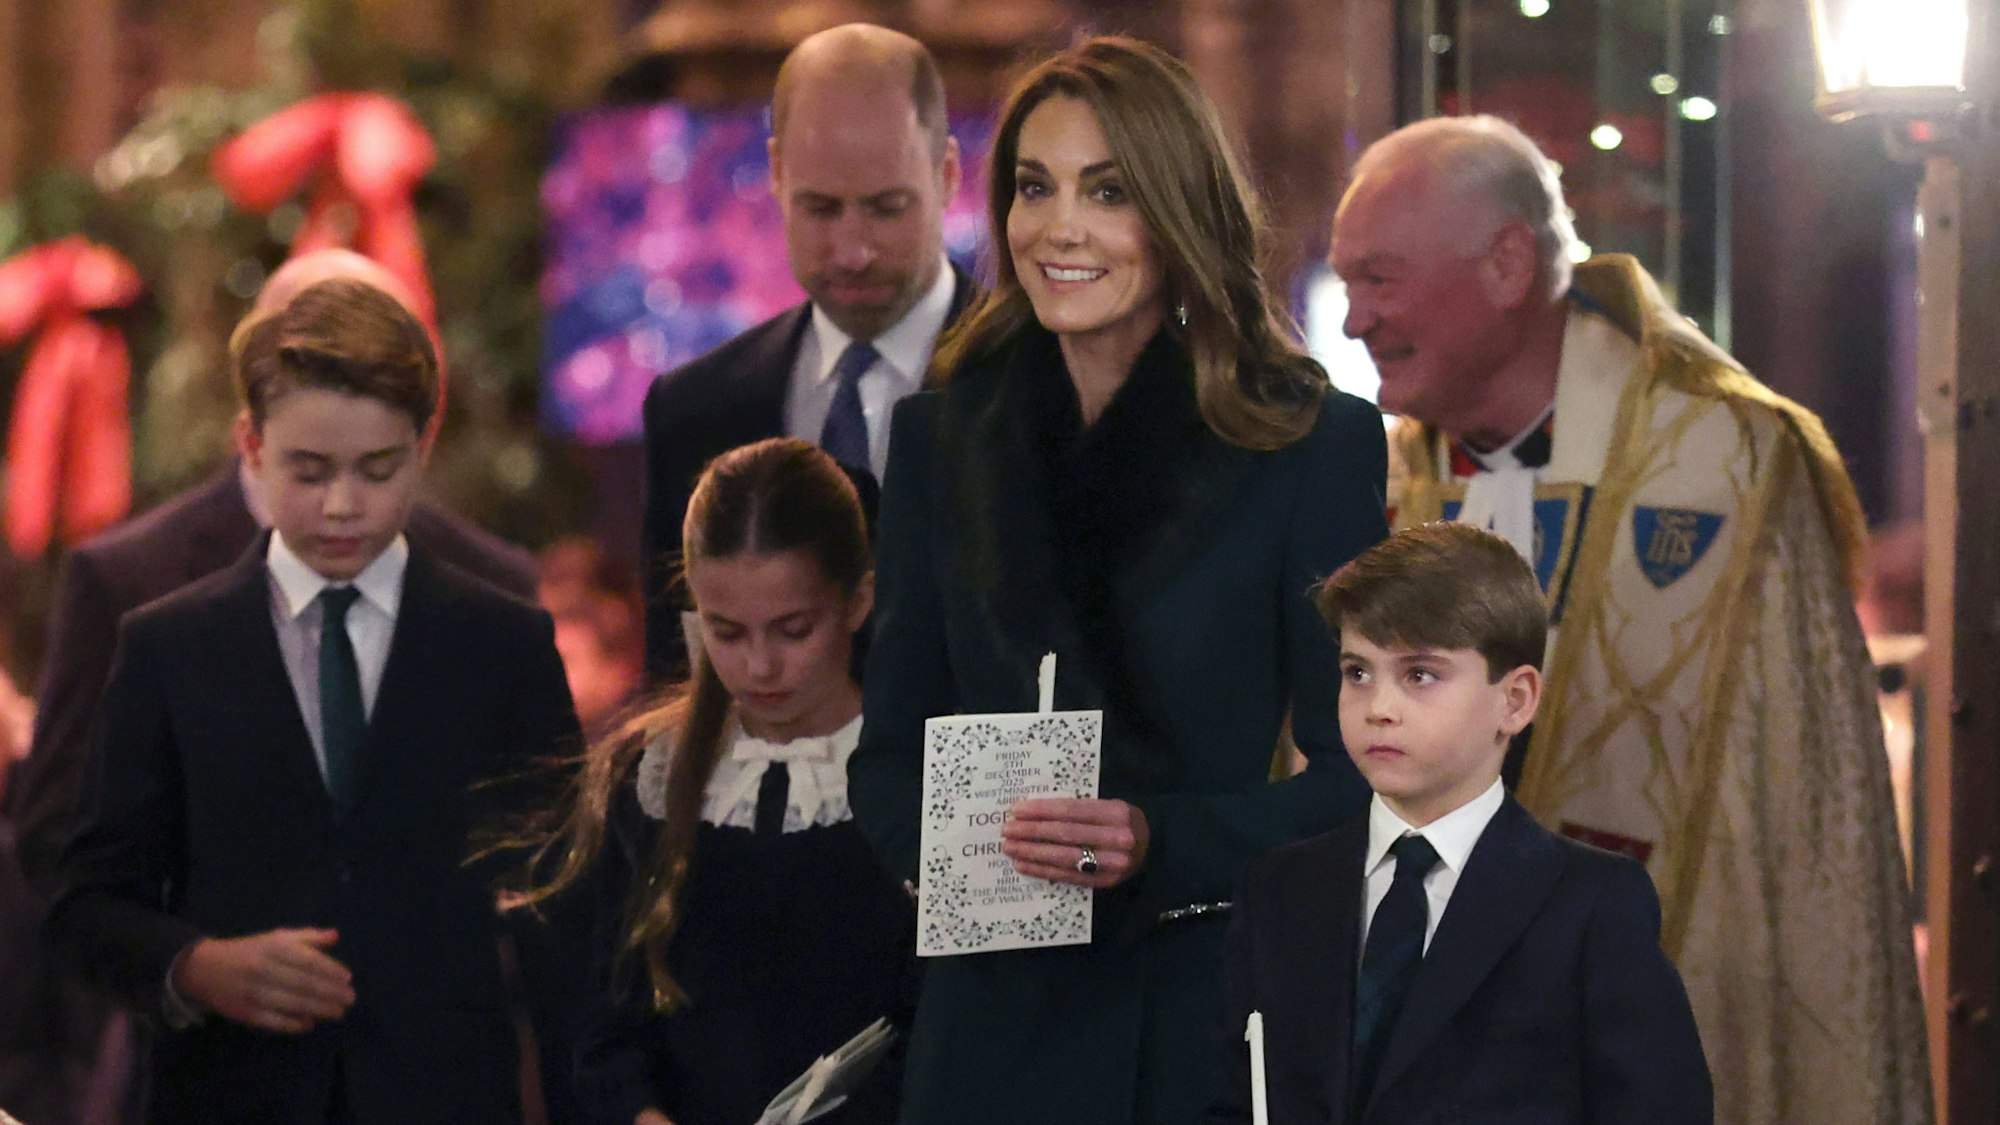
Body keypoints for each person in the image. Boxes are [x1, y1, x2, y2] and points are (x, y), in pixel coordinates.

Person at [1328, 114, 1928, 1123]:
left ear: (1506, 264)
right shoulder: (1377, 483)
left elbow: (1807, 839)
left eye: (1377, 280)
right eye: (1348, 286)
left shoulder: (1730, 463)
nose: (1353, 321)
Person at [847, 36, 1388, 1125]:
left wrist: (1158, 842)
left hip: (1187, 1027)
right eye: (1033, 188)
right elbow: (884, 762)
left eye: (1107, 192)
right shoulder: (941, 442)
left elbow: (1360, 781)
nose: (1060, 228)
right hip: (981, 1039)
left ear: (1178, 211)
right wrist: (964, 852)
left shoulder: (1306, 443)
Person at [0, 248, 536, 1125]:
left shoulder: (493, 583)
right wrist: (193, 959)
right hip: (205, 1073)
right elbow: (62, 844)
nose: (340, 505)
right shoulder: (133, 582)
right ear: (252, 420)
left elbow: (538, 856)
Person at [1211, 522, 1712, 1124]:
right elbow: (1235, 1102)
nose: (1380, 708)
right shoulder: (1280, 889)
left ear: (1516, 700)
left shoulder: (1591, 907)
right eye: (1357, 672)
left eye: (1420, 674)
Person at [517, 438, 911, 1125]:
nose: (761, 666)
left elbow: (947, 1031)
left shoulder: (914, 775)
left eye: (793, 629)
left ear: (858, 601)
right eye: (727, 632)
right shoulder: (652, 777)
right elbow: (604, 1026)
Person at [640, 22, 979, 681]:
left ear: (948, 174)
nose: (852, 250)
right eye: (820, 209)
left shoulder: (1041, 379)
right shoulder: (693, 411)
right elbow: (675, 691)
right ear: (774, 173)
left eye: (886, 208)